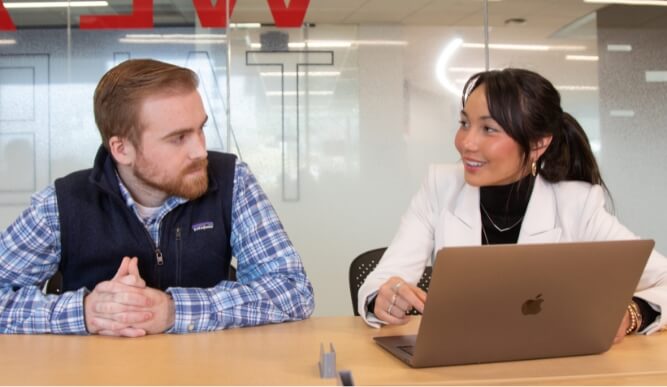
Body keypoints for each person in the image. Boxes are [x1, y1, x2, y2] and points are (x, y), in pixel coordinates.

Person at [0, 59, 314, 336]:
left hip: (206, 374)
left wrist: (172, 310)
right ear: (121, 149)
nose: (200, 150)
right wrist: (85, 312)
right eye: (178, 138)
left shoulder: (232, 180)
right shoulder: (60, 205)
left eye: (200, 129)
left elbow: (292, 290)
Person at [358, 68, 667, 342]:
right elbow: (384, 279)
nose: (466, 142)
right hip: (456, 363)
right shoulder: (440, 186)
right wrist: (382, 298)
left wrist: (632, 313)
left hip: (548, 367)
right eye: (464, 123)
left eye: (489, 129)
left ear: (537, 144)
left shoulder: (577, 204)